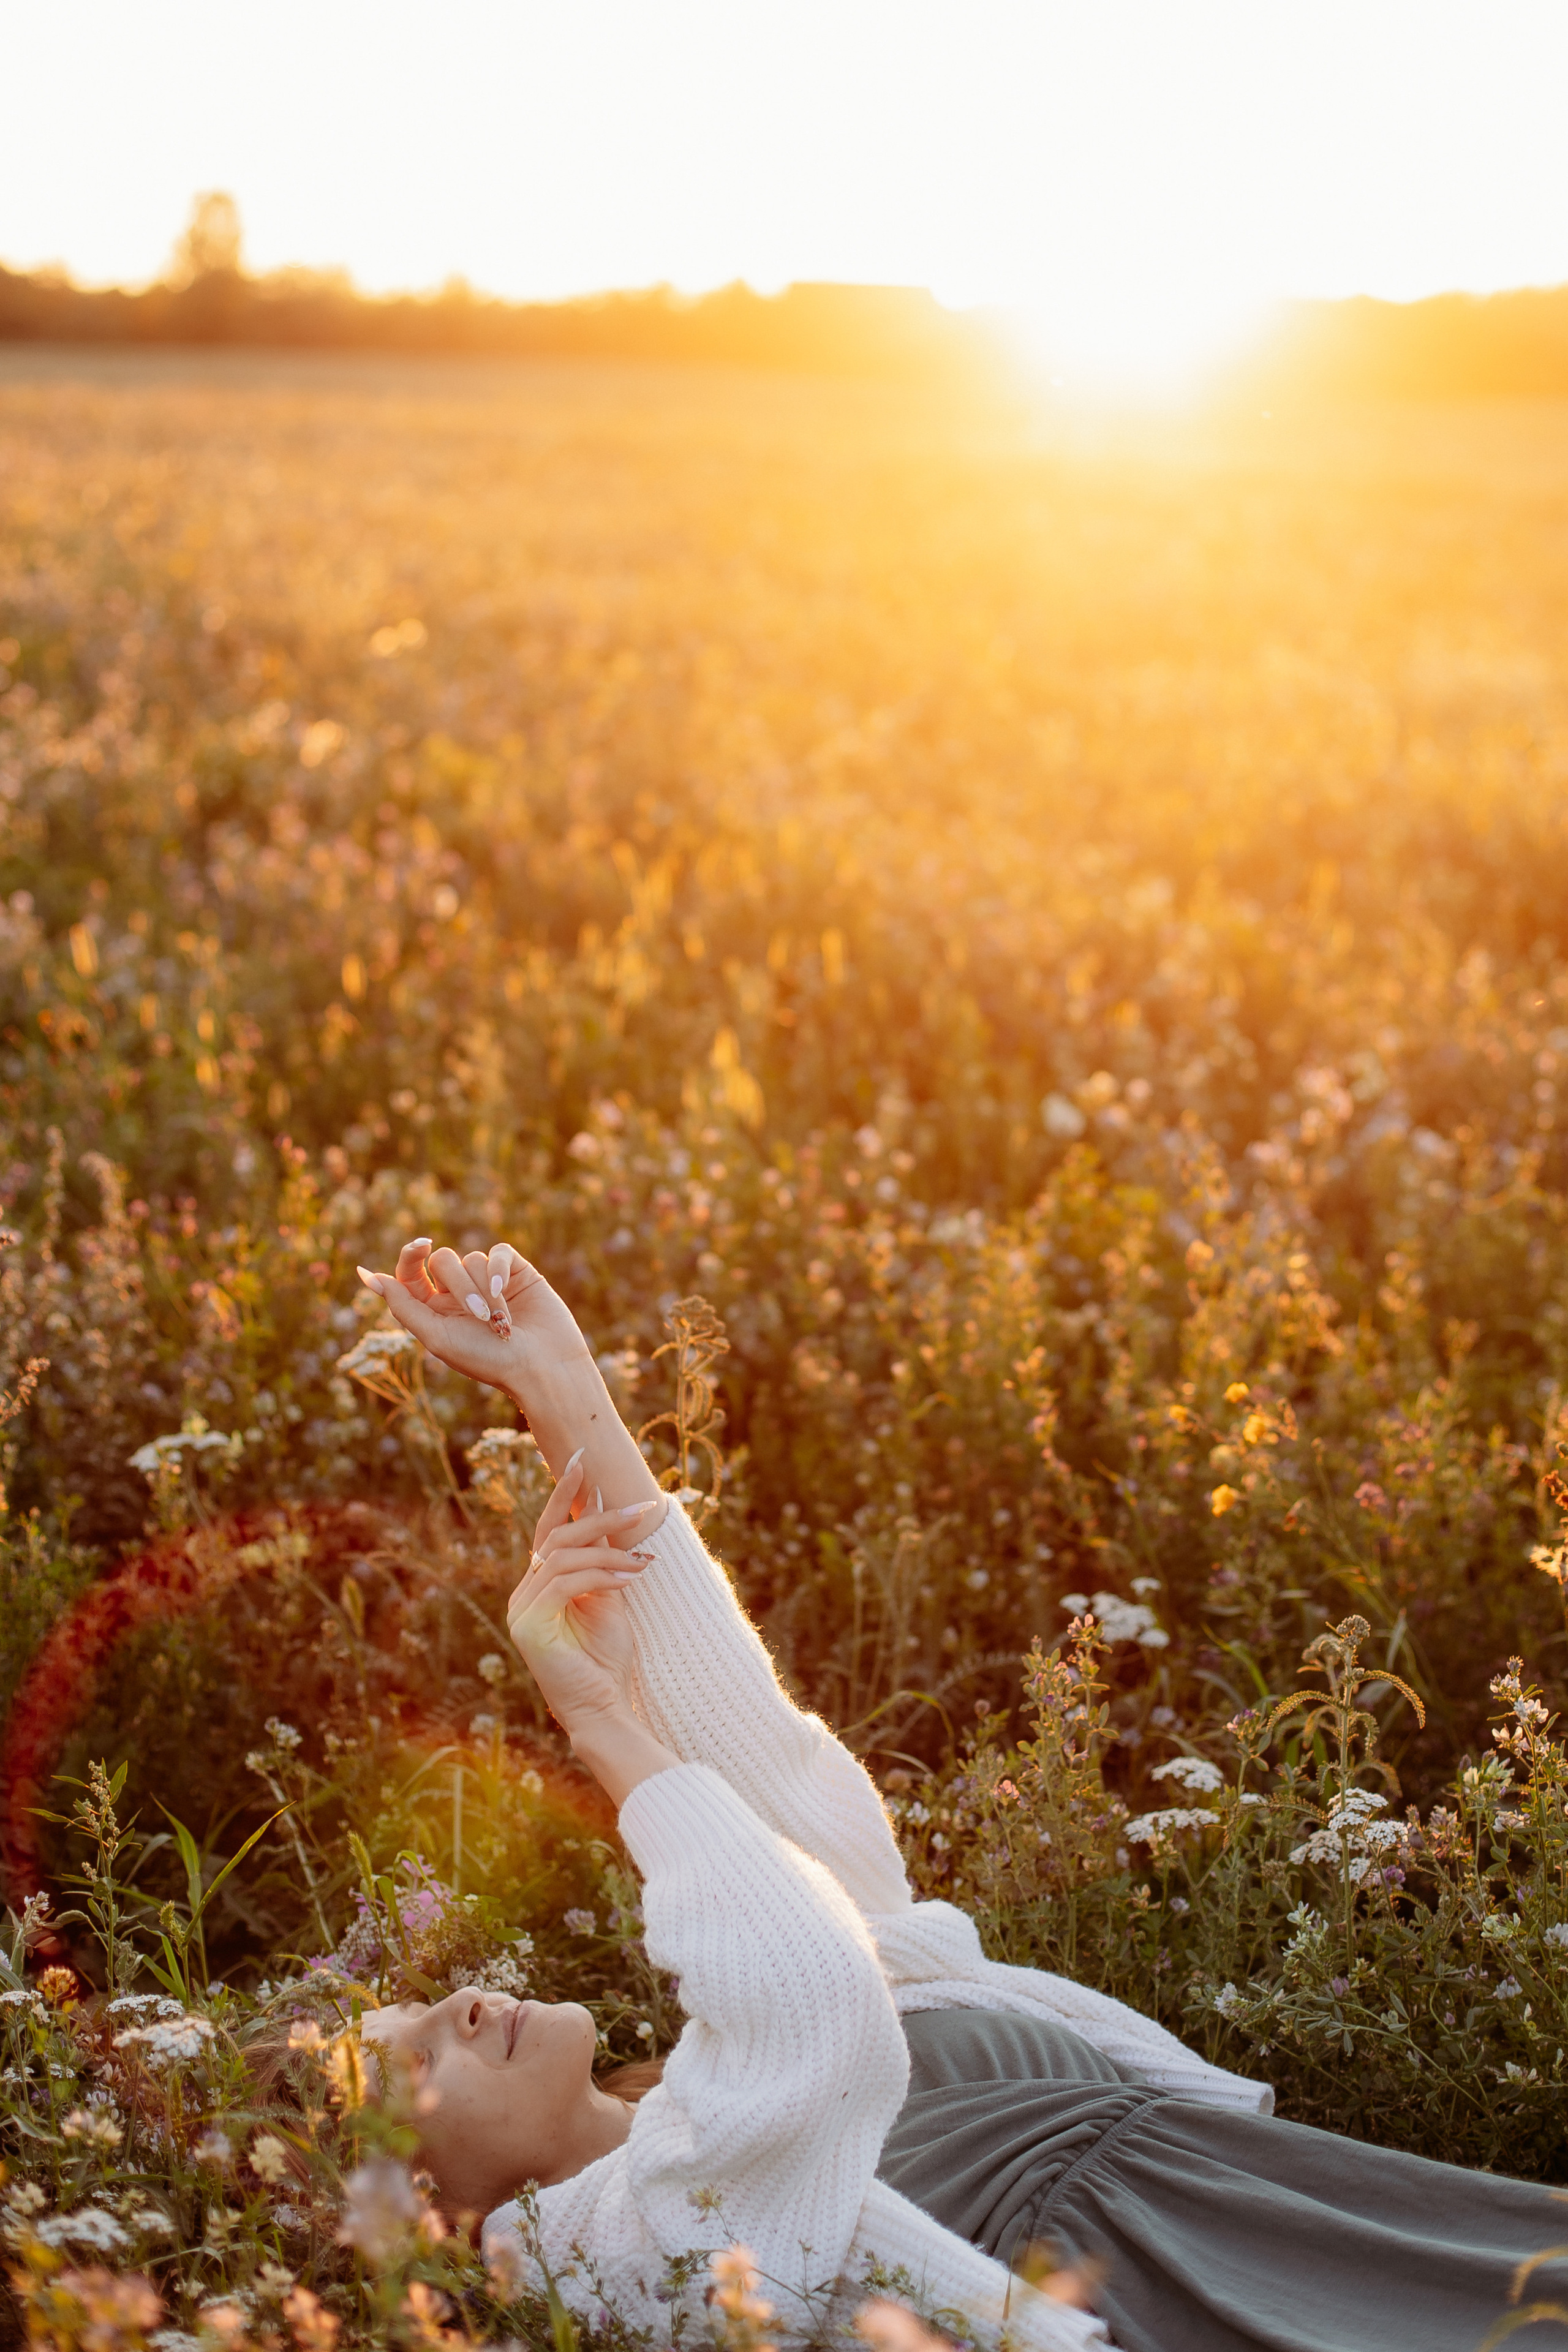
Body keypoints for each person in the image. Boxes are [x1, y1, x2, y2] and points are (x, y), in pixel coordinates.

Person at [353, 1238, 1568, 2352]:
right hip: (1207, 2313)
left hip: (1315, 2229)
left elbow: (768, 1777)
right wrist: (595, 1721)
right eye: (409, 2068)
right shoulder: (612, 2257)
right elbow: (807, 1992)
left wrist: (561, 1386)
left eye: (406, 2011)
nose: (451, 2006)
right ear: (426, 2218)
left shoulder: (701, 2094)